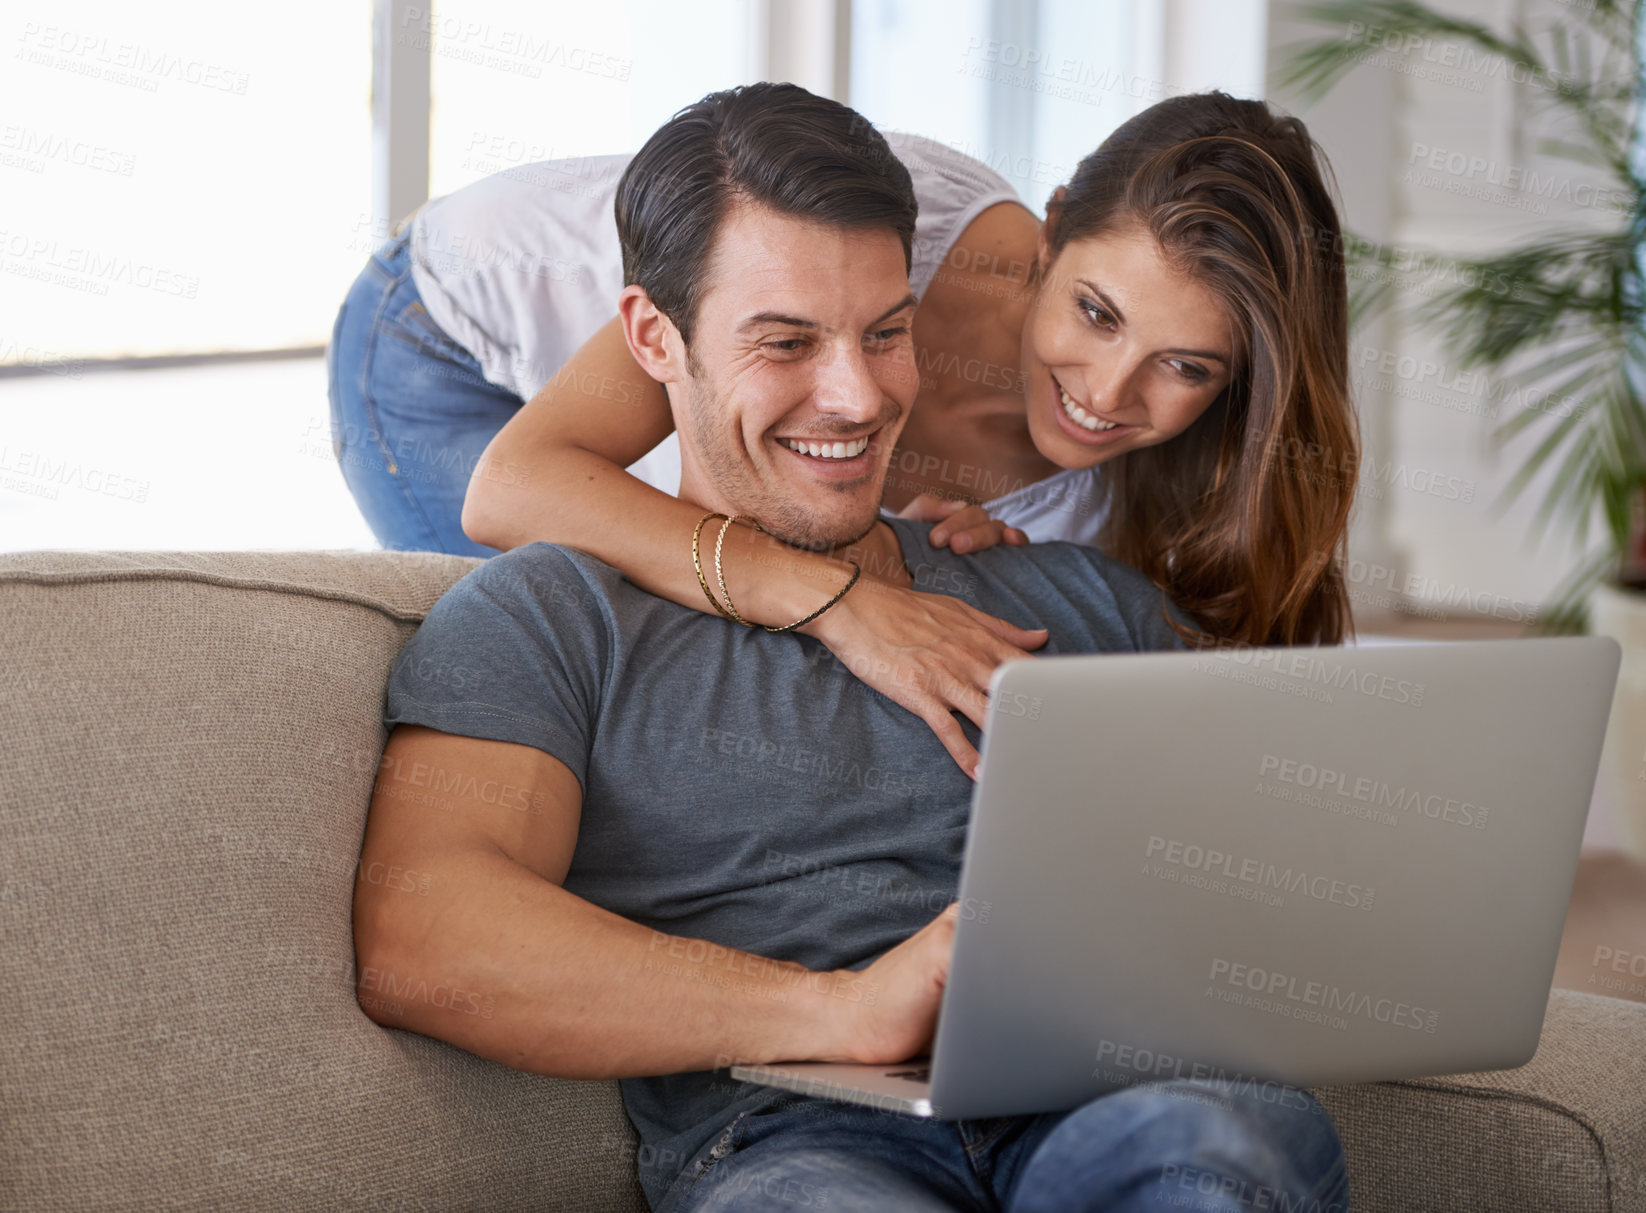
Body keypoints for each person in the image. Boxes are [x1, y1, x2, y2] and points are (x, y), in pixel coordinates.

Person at [352, 86, 1350, 1213]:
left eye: (886, 335)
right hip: (794, 1145)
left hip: (1110, 1105)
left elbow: (1287, 873)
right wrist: (836, 1009)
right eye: (785, 342)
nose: (860, 395)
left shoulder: (1075, 589)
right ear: (652, 341)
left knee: (1222, 1158)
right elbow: (422, 930)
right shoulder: (546, 616)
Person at [327, 85, 1358, 775]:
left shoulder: (1114, 500)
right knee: (550, 662)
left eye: (1184, 366)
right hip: (444, 338)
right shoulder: (881, 236)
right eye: (1094, 313)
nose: (1104, 392)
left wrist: (962, 567)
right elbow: (520, 485)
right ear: (1048, 237)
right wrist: (836, 599)